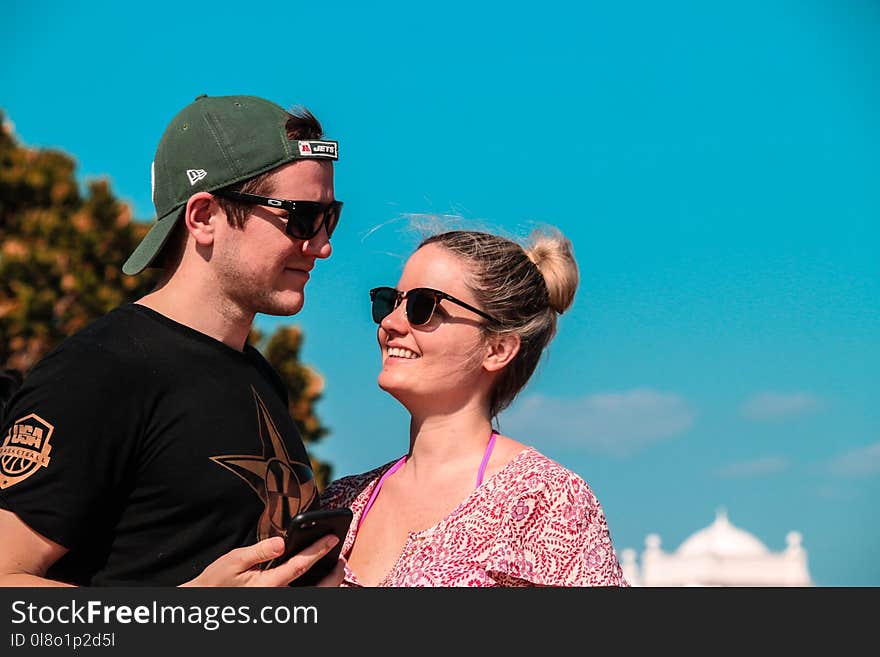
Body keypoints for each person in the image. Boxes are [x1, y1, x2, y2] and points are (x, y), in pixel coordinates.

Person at [0, 94, 345, 587]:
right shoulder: (98, 372)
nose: (323, 245)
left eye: (329, 217)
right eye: (301, 217)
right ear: (203, 216)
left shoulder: (260, 376)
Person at [321, 228, 629, 586]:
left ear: (497, 349)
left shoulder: (547, 500)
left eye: (424, 306)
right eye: (391, 301)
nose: (390, 323)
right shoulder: (341, 501)